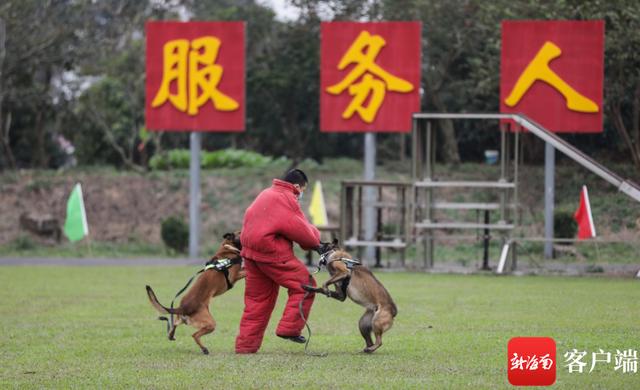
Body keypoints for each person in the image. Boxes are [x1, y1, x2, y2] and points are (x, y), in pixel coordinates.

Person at [235, 169, 322, 354]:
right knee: (306, 285)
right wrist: (316, 240)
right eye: (302, 190)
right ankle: (289, 329)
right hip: (272, 254)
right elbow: (303, 232)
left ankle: (245, 347)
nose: (301, 195)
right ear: (297, 186)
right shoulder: (287, 198)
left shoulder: (266, 193)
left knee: (257, 301)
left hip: (250, 254)